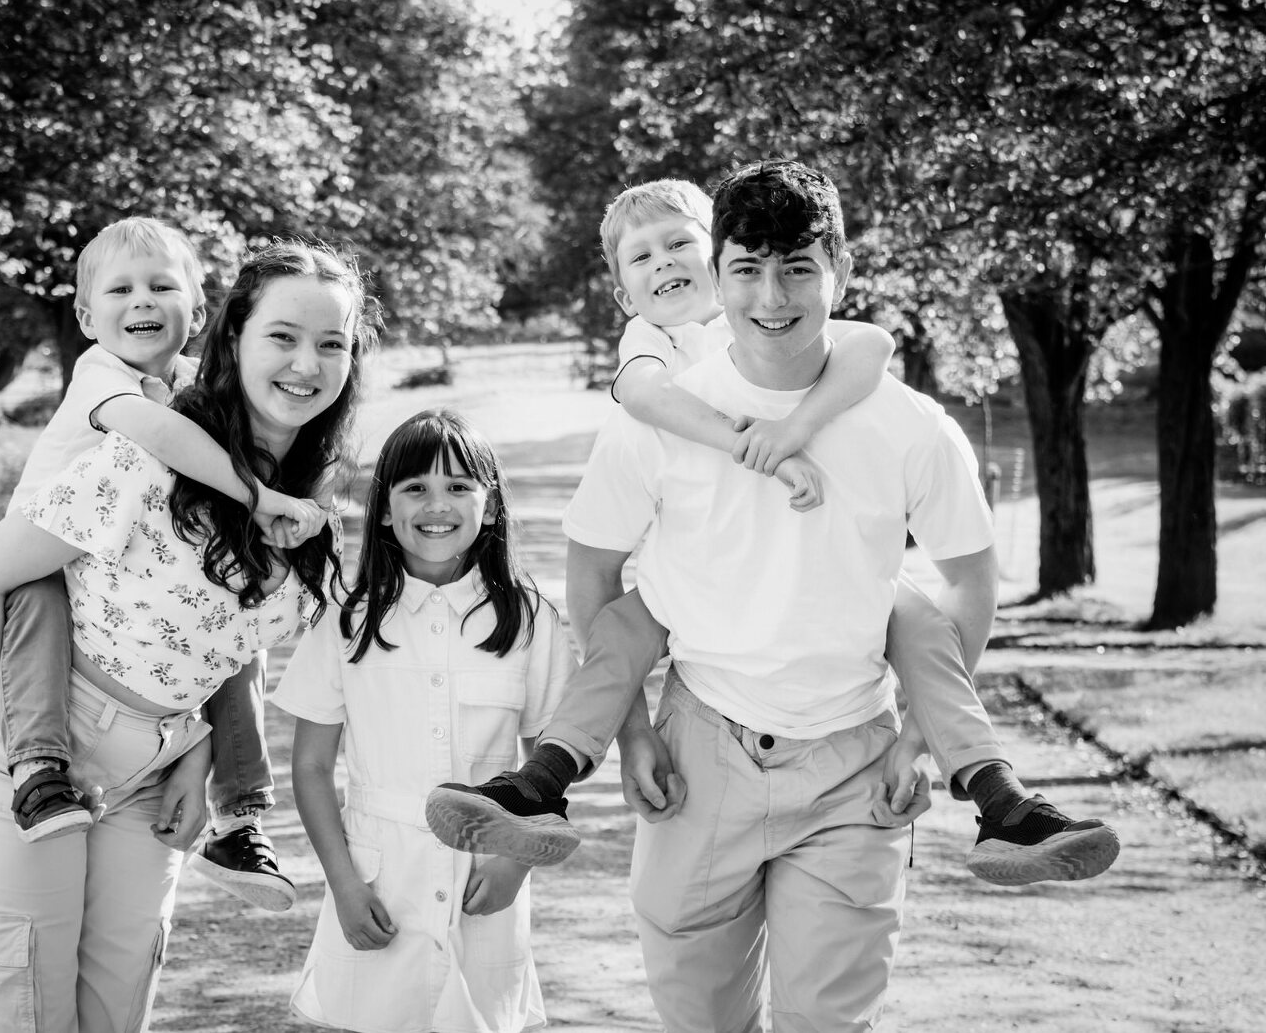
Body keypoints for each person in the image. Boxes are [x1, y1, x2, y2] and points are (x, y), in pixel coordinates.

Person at [427, 176, 1119, 889]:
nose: (664, 264)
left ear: (717, 258)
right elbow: (639, 400)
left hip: (841, 611)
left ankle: (1001, 803)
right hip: (683, 601)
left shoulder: (772, 312)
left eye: (679, 244)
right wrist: (754, 449)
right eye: (641, 258)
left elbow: (871, 345)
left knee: (921, 628)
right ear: (623, 293)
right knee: (617, 637)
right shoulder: (652, 346)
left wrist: (795, 431)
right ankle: (542, 783)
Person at [0, 239, 379, 1033]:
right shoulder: (150, 453)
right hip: (32, 744)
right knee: (22, 1004)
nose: (306, 363)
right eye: (282, 336)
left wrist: (197, 749)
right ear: (233, 337)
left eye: (332, 343)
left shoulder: (315, 506)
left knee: (117, 1003)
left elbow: (226, 637)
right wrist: (28, 750)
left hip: (158, 771)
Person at [0, 217, 323, 914]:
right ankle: (36, 766)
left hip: (117, 566)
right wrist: (259, 496)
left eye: (161, 286)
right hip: (44, 554)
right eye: (120, 289)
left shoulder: (190, 384)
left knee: (237, 629)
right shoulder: (100, 376)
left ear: (199, 311)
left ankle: (241, 818)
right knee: (37, 623)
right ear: (86, 316)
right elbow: (157, 434)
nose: (142, 301)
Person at [272, 409, 575, 1033]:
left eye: (459, 486)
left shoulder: (528, 618)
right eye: (414, 488)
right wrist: (345, 886)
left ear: (489, 506)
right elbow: (308, 766)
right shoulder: (345, 621)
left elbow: (553, 755)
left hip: (484, 880)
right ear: (383, 509)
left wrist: (514, 861)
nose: (437, 504)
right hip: (379, 880)